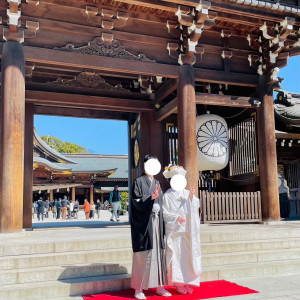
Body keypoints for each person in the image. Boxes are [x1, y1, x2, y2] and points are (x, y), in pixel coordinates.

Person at [130, 154, 171, 300]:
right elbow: (135, 203)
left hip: (157, 222)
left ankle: (159, 285)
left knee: (158, 255)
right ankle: (138, 288)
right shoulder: (139, 182)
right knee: (143, 255)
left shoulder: (157, 182)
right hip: (144, 224)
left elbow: (161, 202)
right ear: (145, 164)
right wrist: (150, 200)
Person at [162, 165, 202, 295]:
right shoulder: (167, 195)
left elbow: (195, 205)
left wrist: (191, 197)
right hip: (175, 231)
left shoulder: (186, 192)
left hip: (187, 231)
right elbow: (164, 213)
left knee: (186, 258)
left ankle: (186, 282)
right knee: (177, 258)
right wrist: (175, 218)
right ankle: (178, 284)